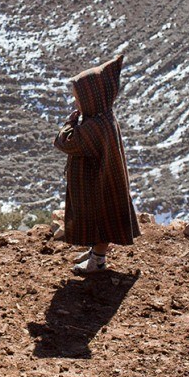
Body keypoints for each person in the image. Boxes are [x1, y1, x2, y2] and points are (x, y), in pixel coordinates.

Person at [53, 55, 139, 275]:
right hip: (100, 183)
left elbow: (64, 142)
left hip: (98, 187)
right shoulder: (103, 118)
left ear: (93, 98)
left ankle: (97, 261)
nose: (76, 105)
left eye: (79, 100)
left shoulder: (95, 126)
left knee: (100, 220)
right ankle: (95, 253)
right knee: (99, 218)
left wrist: (69, 123)